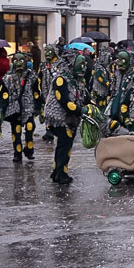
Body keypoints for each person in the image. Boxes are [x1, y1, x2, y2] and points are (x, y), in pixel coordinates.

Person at [46, 51, 89, 185]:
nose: (83, 68)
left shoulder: (77, 81)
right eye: (80, 64)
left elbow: (85, 97)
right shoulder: (61, 79)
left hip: (70, 117)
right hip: (58, 118)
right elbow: (64, 101)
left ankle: (58, 172)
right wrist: (79, 110)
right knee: (65, 145)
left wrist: (90, 106)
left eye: (84, 65)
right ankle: (61, 173)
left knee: (64, 145)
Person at [0, 52, 37, 164]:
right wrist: (1, 109)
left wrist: (38, 107)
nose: (18, 64)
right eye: (16, 61)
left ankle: (29, 148)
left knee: (29, 127)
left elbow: (36, 91)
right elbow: (3, 95)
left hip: (28, 106)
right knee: (16, 131)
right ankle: (17, 153)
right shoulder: (7, 78)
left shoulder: (31, 76)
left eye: (21, 61)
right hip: (14, 108)